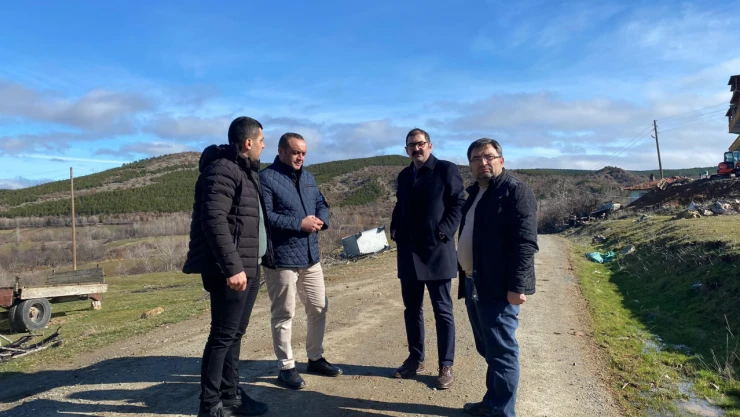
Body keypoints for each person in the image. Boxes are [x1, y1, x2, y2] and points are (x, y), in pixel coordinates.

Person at [182, 116, 271, 417]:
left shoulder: (246, 171)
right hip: (230, 270)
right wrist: (232, 267)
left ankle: (231, 396)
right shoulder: (222, 169)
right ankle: (209, 405)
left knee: (234, 334)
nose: (263, 145)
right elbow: (214, 221)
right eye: (261, 140)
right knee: (222, 336)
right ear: (248, 142)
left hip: (249, 266)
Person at [457, 138, 538, 417]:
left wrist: (518, 286)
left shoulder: (515, 191)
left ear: (501, 160)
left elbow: (525, 243)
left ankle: (503, 412)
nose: (483, 162)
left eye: (488, 157)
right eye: (476, 159)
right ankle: (492, 402)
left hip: (499, 287)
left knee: (502, 352)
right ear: (470, 165)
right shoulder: (475, 193)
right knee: (488, 348)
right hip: (473, 282)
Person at [259, 132, 342, 390]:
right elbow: (266, 216)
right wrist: (299, 224)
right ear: (281, 151)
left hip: (310, 256)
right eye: (296, 152)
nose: (300, 157)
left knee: (318, 307)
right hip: (281, 258)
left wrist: (322, 220)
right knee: (284, 313)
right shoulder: (266, 179)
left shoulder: (308, 177)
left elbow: (321, 203)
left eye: (304, 153)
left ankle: (315, 358)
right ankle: (286, 367)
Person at [389, 128, 466, 390]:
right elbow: (400, 205)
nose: (416, 148)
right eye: (411, 145)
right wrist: (395, 229)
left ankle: (446, 365)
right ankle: (415, 359)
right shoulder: (404, 175)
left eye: (420, 144)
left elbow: (458, 203)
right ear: (406, 150)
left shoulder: (446, 169)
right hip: (408, 253)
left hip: (437, 252)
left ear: (430, 146)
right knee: (412, 309)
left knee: (442, 311)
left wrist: (444, 232)